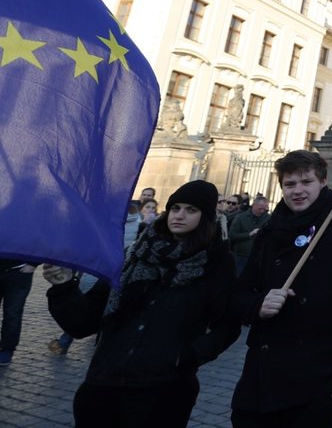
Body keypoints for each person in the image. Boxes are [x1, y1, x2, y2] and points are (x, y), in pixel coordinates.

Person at [42, 180, 239, 427]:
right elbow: (84, 322)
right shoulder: (134, 254)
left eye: (191, 210)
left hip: (163, 391)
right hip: (104, 384)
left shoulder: (217, 263)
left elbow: (227, 325)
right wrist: (63, 287)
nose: (179, 215)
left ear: (206, 216)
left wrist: (186, 357)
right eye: (175, 208)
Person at [229, 150, 332, 428]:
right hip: (264, 368)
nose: (298, 191)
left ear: (322, 182)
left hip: (320, 366)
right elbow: (240, 293)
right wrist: (258, 306)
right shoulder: (270, 229)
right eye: (290, 184)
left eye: (306, 182)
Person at [0, 257, 37, 365]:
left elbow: (41, 240)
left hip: (19, 272)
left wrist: (33, 263)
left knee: (13, 313)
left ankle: (7, 349)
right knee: (13, 312)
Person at [228, 196, 271, 276]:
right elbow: (231, 235)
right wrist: (249, 234)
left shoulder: (268, 218)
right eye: (260, 208)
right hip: (241, 256)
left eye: (264, 209)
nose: (262, 211)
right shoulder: (241, 217)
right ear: (254, 205)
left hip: (258, 257)